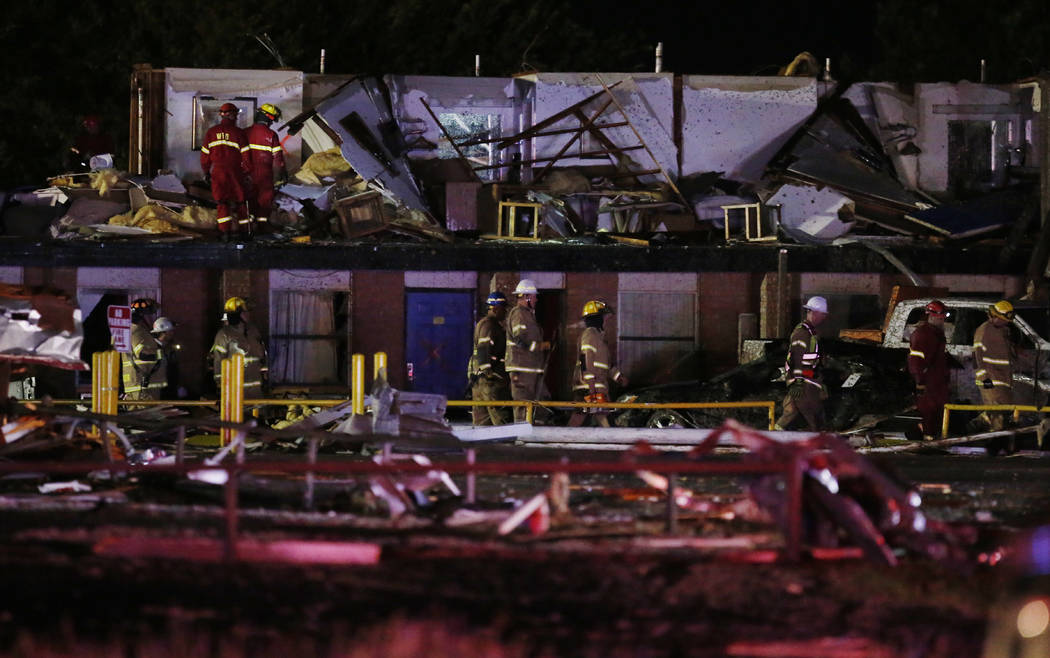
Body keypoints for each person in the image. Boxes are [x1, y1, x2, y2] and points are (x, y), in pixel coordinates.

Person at [568, 300, 627, 427]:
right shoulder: (590, 334)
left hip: (596, 388)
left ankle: (563, 441)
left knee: (602, 419)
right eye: (603, 317)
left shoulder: (600, 339)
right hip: (588, 389)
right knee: (581, 420)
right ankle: (560, 442)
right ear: (596, 318)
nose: (606, 320)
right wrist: (590, 384)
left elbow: (606, 365)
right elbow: (585, 358)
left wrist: (618, 377)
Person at [774, 296, 828, 431]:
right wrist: (797, 382)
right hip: (803, 381)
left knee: (791, 410)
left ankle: (774, 434)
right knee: (813, 414)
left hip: (806, 379)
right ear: (815, 313)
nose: (824, 318)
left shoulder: (811, 332)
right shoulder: (802, 333)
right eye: (823, 314)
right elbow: (796, 360)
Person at [200, 103, 250, 241]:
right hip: (236, 172)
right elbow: (246, 157)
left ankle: (225, 234)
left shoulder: (211, 132)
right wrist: (246, 173)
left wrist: (206, 172)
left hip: (217, 172)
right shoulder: (239, 133)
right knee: (240, 202)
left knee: (222, 203)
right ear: (233, 115)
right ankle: (244, 232)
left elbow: (205, 156)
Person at [504, 279, 550, 423]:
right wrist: (540, 346)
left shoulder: (528, 315)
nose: (536, 299)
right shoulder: (519, 314)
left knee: (542, 400)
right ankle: (522, 437)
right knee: (523, 405)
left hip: (531, 369)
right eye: (534, 296)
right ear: (526, 296)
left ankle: (536, 432)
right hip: (521, 369)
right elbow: (520, 340)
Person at [908, 300, 951, 440]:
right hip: (929, 381)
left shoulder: (935, 333)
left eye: (943, 317)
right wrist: (919, 381)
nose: (942, 320)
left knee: (937, 411)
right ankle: (927, 439)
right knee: (929, 411)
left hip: (937, 381)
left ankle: (930, 437)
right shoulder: (923, 334)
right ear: (931, 316)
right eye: (940, 318)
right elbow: (916, 361)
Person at [210, 297, 268, 398]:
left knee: (258, 412)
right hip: (235, 389)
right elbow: (218, 360)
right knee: (237, 413)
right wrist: (221, 383)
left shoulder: (253, 331)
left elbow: (262, 354)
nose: (248, 314)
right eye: (244, 312)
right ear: (236, 315)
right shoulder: (224, 335)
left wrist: (265, 373)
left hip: (256, 389)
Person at [467, 291, 511, 426]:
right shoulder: (489, 325)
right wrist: (490, 375)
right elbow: (483, 350)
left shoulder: (485, 324)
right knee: (501, 419)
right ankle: (505, 446)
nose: (505, 313)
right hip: (489, 383)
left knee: (482, 422)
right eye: (504, 309)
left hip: (479, 380)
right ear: (496, 308)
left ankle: (483, 447)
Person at [973, 300, 1016, 432]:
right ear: (994, 316)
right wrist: (986, 380)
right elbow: (977, 358)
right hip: (991, 381)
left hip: (1002, 381)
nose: (1006, 322)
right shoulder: (984, 331)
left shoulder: (1002, 331)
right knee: (997, 417)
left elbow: (1005, 357)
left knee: (1003, 412)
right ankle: (995, 444)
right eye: (1003, 319)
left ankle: (982, 425)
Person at [244, 103, 287, 233]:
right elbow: (278, 160)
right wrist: (281, 175)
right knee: (264, 201)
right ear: (270, 119)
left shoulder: (244, 132)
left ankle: (248, 228)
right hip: (265, 175)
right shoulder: (271, 135)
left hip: (247, 174)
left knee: (248, 201)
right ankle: (262, 227)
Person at [121, 298, 166, 402]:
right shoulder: (136, 331)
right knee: (147, 416)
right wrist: (161, 352)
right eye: (150, 314)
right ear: (141, 316)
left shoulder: (132, 331)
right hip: (142, 386)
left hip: (141, 384)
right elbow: (144, 355)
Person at [152, 317, 186, 400]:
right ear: (163, 332)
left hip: (169, 389)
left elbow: (173, 368)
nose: (172, 333)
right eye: (170, 331)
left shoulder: (169, 347)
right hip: (158, 391)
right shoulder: (152, 348)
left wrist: (177, 386)